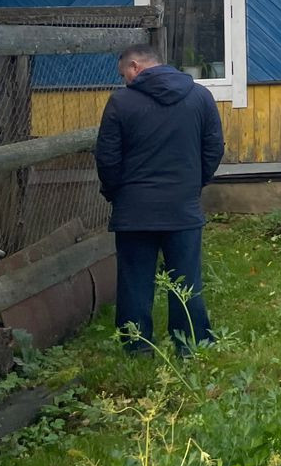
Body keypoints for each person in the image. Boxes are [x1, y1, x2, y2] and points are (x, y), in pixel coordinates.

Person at [96, 44, 224, 355]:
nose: (125, 80)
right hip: (183, 206)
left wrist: (116, 193)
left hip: (134, 208)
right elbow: (214, 148)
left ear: (135, 66)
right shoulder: (200, 97)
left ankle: (137, 346)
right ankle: (191, 343)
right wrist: (193, 184)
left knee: (135, 280)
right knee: (186, 279)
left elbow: (107, 158)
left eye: (124, 73)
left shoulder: (121, 102)